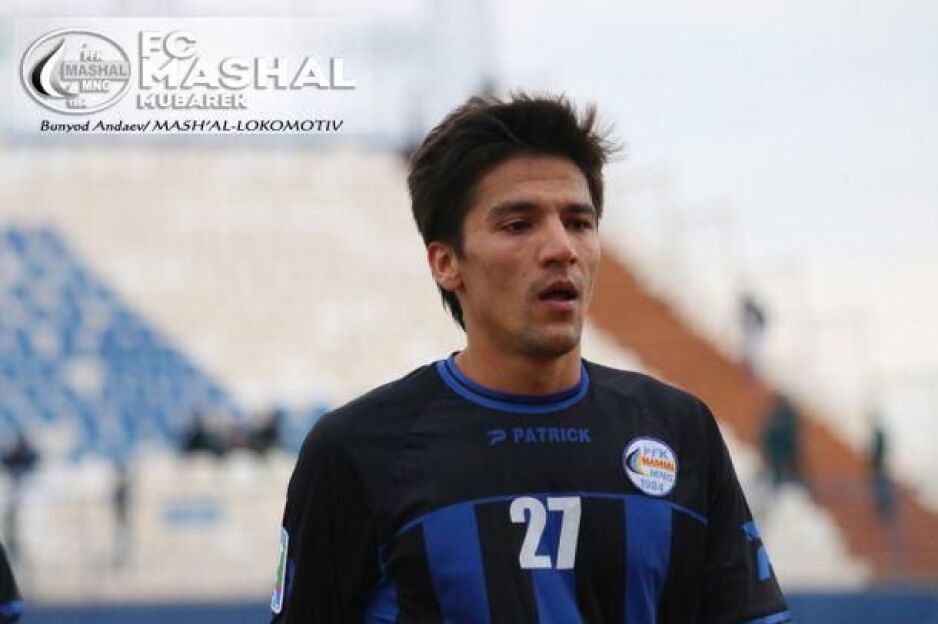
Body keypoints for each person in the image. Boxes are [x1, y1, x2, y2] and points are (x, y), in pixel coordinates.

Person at [273, 94, 789, 623]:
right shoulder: (355, 452)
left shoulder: (680, 431)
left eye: (579, 222)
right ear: (446, 262)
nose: (561, 248)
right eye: (519, 225)